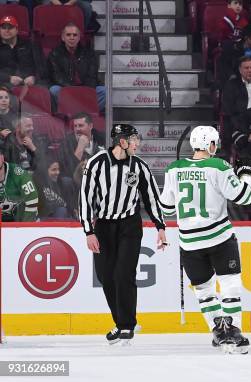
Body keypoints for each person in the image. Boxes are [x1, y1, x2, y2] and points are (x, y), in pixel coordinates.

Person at [159, 125, 251, 353]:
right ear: (211, 145)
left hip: (189, 242)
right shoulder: (218, 166)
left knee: (204, 290)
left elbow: (167, 207)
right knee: (230, 283)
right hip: (219, 237)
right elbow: (245, 197)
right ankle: (232, 331)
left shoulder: (174, 169)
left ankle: (218, 331)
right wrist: (247, 175)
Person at [79, 124, 167, 345]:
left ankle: (127, 325)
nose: (137, 144)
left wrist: (161, 227)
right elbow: (85, 198)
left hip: (129, 225)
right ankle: (121, 323)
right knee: (105, 276)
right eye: (133, 139)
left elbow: (151, 198)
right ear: (122, 141)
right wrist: (89, 231)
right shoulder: (96, 163)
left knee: (123, 274)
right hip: (104, 226)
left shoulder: (140, 166)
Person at [47, 22, 106, 112]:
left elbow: (92, 76)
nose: (72, 38)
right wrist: (73, 90)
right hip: (66, 89)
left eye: (75, 35)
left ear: (79, 37)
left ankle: (81, 112)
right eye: (68, 35)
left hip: (85, 89)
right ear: (63, 37)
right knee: (54, 90)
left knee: (104, 91)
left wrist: (83, 91)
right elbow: (57, 77)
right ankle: (80, 113)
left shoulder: (89, 54)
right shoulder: (55, 54)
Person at [222, 56, 251, 159]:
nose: (249, 70)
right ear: (240, 70)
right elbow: (229, 110)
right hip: (241, 122)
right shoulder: (231, 85)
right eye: (246, 68)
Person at [0, 139, 38, 222]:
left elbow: (32, 200)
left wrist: (24, 227)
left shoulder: (18, 173)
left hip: (21, 220)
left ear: (2, 158)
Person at [58, 112, 105, 177]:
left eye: (80, 125)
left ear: (90, 126)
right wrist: (80, 147)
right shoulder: (66, 143)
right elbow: (67, 171)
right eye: (75, 126)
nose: (77, 129)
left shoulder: (102, 138)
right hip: (77, 182)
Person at [0, 15, 36, 87]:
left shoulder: (30, 45)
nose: (6, 30)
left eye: (10, 28)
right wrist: (8, 78)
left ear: (17, 30)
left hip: (29, 85)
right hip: (3, 84)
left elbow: (41, 67)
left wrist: (34, 77)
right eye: (3, 28)